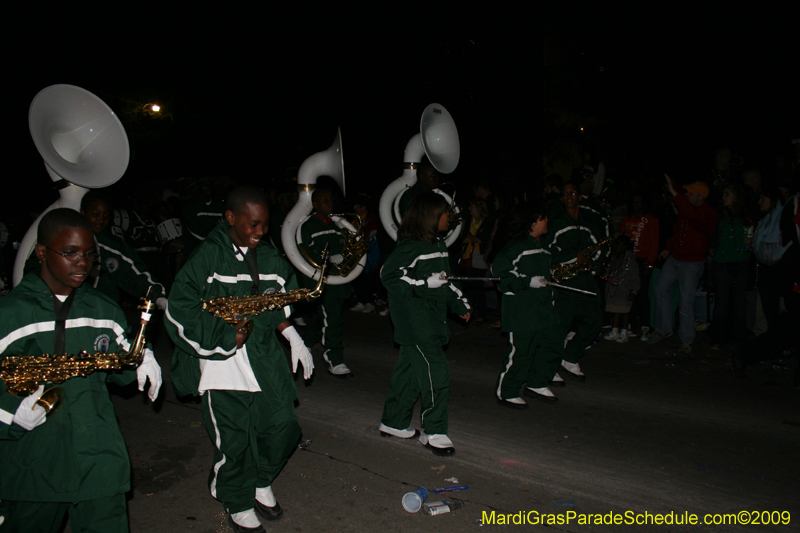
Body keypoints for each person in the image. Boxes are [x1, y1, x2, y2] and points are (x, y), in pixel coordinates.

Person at [0, 208, 161, 533]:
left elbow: (123, 375)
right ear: (42, 252)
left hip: (97, 454)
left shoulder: (103, 308)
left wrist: (141, 356)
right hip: (33, 462)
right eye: (70, 253)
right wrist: (9, 410)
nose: (82, 263)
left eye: (89, 254)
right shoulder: (12, 312)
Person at [164, 186, 313, 533]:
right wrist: (222, 337)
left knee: (284, 427)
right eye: (254, 225)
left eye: (265, 225)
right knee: (234, 440)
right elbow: (178, 308)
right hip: (220, 362)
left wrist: (292, 335)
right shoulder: (207, 256)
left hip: (262, 355)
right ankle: (237, 499)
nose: (261, 233)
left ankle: (260, 479)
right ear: (231, 218)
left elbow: (277, 301)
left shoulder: (268, 256)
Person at [378, 192, 471, 456]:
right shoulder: (412, 246)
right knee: (436, 372)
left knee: (409, 375)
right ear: (430, 216)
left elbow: (446, 280)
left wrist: (459, 303)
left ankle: (393, 422)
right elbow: (388, 275)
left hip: (432, 319)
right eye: (444, 213)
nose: (449, 218)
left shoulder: (439, 245)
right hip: (416, 322)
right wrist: (422, 284)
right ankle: (434, 431)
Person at [494, 203, 564, 407]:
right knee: (521, 352)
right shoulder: (516, 247)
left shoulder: (543, 246)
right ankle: (507, 391)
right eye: (542, 218)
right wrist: (525, 281)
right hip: (522, 311)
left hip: (544, 309)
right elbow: (501, 275)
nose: (546, 222)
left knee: (554, 345)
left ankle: (537, 383)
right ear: (530, 223)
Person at [541, 182, 605, 382]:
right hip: (565, 281)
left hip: (585, 279)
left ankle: (569, 356)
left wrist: (591, 264)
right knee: (560, 325)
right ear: (561, 199)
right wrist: (572, 256)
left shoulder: (589, 222)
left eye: (573, 193)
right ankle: (547, 368)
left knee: (595, 321)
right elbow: (546, 250)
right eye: (565, 193)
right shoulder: (556, 222)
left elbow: (600, 248)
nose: (569, 196)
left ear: (579, 197)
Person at [649, 176, 717, 353]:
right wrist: (669, 248)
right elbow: (678, 230)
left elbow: (693, 218)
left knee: (686, 303)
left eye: (690, 193)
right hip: (676, 258)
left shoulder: (706, 212)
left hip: (692, 263)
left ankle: (686, 340)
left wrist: (676, 194)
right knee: (660, 290)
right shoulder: (689, 209)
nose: (686, 195)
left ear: (700, 196)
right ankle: (663, 329)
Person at [79, 191, 168, 309]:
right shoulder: (68, 239)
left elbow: (135, 273)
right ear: (83, 213)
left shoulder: (112, 244)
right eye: (95, 214)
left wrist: (158, 296)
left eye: (106, 216)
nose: (101, 220)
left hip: (105, 312)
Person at [299, 187, 353, 378]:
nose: (330, 204)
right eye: (325, 200)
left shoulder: (337, 224)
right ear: (314, 204)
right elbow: (305, 253)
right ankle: (334, 358)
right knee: (333, 318)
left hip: (340, 280)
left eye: (331, 200)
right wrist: (328, 259)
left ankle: (306, 340)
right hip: (324, 280)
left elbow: (347, 248)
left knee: (329, 318)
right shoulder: (308, 226)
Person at [709, 183, 753, 348]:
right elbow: (711, 233)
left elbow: (752, 235)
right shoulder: (719, 215)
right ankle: (718, 339)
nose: (724, 197)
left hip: (742, 262)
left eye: (727, 194)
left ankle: (738, 339)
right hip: (722, 263)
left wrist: (751, 242)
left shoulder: (746, 215)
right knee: (721, 303)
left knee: (739, 303)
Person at [620, 194, 659, 340]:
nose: (637, 204)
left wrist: (650, 263)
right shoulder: (627, 219)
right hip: (629, 259)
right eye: (634, 201)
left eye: (639, 201)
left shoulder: (651, 219)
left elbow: (654, 243)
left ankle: (645, 327)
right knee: (629, 294)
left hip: (643, 260)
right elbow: (622, 239)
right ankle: (632, 327)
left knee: (642, 294)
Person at [603, 235, 640, 343]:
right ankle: (615, 331)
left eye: (617, 244)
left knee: (624, 311)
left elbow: (635, 277)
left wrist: (634, 291)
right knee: (615, 311)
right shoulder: (613, 258)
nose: (615, 246)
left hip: (625, 290)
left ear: (624, 246)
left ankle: (624, 332)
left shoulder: (630, 259)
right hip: (614, 290)